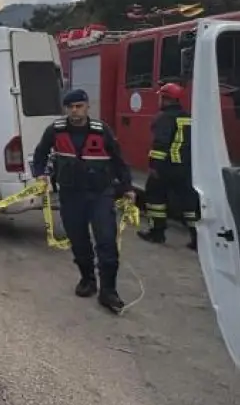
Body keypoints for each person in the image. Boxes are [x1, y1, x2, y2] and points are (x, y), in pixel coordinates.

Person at [31, 88, 132, 314]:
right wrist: (41, 174)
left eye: (79, 106)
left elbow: (118, 160)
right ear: (66, 109)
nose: (75, 111)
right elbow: (39, 155)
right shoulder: (55, 131)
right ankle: (87, 279)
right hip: (71, 195)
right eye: (71, 107)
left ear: (87, 107)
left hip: (100, 194)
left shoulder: (102, 130)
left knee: (106, 241)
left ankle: (109, 291)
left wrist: (127, 187)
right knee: (79, 242)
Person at [137, 82, 199, 250]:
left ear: (165, 99)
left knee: (155, 196)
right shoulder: (188, 116)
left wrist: (154, 166)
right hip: (185, 167)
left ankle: (157, 233)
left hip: (167, 165)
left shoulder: (163, 117)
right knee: (189, 202)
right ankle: (197, 239)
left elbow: (160, 144)